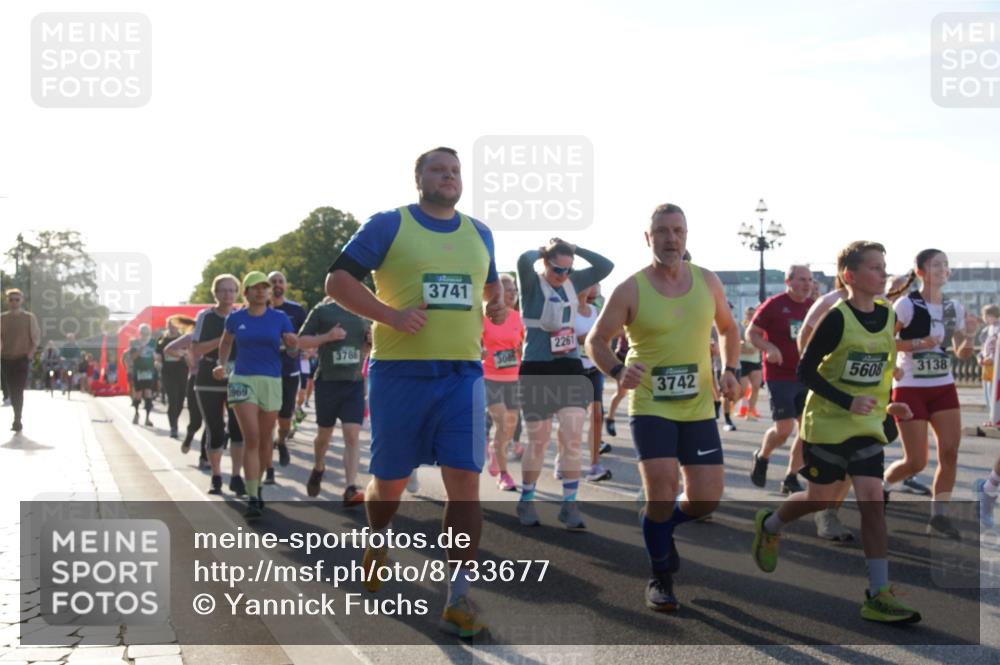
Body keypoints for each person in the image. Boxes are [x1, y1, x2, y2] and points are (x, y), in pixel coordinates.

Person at [326, 146, 506, 637]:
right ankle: (377, 535)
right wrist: (390, 316)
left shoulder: (480, 233)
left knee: (466, 480)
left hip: (462, 375)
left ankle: (459, 596)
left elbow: (491, 287)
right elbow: (337, 281)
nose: (448, 177)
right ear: (419, 179)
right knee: (390, 482)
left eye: (455, 171)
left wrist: (496, 305)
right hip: (399, 374)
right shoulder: (389, 224)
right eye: (438, 170)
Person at [751, 240, 921, 624]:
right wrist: (847, 401)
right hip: (827, 424)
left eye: (883, 266)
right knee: (820, 500)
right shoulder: (837, 318)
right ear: (851, 276)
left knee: (872, 506)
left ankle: (878, 594)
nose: (882, 273)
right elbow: (805, 372)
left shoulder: (888, 316)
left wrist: (890, 405)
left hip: (866, 427)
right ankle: (771, 524)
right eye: (875, 267)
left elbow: (879, 371)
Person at [587, 203, 741, 611]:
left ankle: (658, 525)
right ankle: (661, 573)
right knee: (662, 490)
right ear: (648, 237)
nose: (671, 239)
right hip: (651, 403)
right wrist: (619, 371)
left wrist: (730, 370)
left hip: (697, 406)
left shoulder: (707, 281)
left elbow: (728, 329)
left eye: (678, 231)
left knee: (707, 498)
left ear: (686, 236)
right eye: (662, 231)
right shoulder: (631, 288)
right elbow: (597, 340)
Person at [515, 237, 614, 529]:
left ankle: (570, 506)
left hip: (570, 366)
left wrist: (576, 249)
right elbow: (523, 258)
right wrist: (545, 248)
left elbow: (606, 266)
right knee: (539, 440)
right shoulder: (532, 284)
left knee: (571, 438)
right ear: (545, 264)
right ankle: (526, 499)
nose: (563, 276)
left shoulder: (574, 280)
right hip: (537, 367)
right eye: (558, 270)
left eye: (568, 270)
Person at [882, 249, 978, 539]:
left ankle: (939, 516)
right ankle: (884, 485)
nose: (943, 269)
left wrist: (971, 335)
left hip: (943, 386)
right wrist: (917, 344)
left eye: (946, 265)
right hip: (910, 386)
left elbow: (962, 353)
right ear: (921, 272)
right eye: (936, 265)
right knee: (917, 461)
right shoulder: (906, 305)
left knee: (950, 452)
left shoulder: (954, 308)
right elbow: (884, 341)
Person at [214, 272, 297, 519]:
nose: (261, 291)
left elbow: (292, 352)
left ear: (270, 292)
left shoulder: (280, 318)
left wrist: (293, 345)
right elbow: (226, 342)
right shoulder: (235, 318)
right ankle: (252, 498)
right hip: (242, 380)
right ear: (246, 292)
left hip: (271, 381)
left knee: (263, 440)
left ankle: (257, 487)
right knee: (251, 438)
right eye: (255, 287)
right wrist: (222, 364)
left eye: (265, 287)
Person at [747, 264, 815, 494]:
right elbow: (751, 333)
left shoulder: (813, 307)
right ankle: (763, 455)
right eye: (802, 279)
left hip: (805, 375)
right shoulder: (775, 305)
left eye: (810, 280)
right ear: (789, 282)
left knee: (807, 429)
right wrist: (768, 347)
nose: (807, 284)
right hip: (780, 375)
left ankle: (791, 476)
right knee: (784, 429)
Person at [297, 296, 371, 505]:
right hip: (327, 382)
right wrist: (328, 337)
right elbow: (302, 341)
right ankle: (319, 466)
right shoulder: (322, 311)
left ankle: (350, 488)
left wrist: (370, 343)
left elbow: (366, 349)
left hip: (353, 383)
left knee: (352, 435)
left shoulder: (364, 310)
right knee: (324, 436)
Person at [190, 274, 246, 495]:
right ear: (215, 293)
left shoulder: (243, 315)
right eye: (223, 290)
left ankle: (236, 476)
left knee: (238, 428)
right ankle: (215, 476)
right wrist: (225, 338)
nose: (228, 294)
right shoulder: (206, 317)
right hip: (208, 378)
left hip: (237, 377)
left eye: (232, 290)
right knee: (215, 429)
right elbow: (197, 350)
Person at [482, 274, 525, 491]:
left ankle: (494, 450)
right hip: (490, 378)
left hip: (513, 378)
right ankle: (504, 474)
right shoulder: (484, 317)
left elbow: (522, 347)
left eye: (514, 290)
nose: (512, 293)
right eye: (507, 289)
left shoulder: (518, 318)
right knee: (500, 423)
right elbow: (475, 344)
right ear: (496, 292)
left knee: (511, 426)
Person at [264, 271, 308, 484]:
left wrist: (303, 348)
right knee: (267, 418)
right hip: (264, 371)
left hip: (289, 371)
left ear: (286, 285)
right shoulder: (260, 310)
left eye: (281, 281)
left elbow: (305, 336)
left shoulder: (296, 310)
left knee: (284, 419)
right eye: (273, 282)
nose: (277, 285)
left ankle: (281, 441)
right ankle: (268, 469)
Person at [577, 283, 613, 481]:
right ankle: (562, 457)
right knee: (574, 419)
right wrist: (587, 339)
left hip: (594, 369)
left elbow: (604, 338)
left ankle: (594, 464)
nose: (594, 289)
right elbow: (561, 338)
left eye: (596, 285)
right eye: (589, 284)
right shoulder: (568, 312)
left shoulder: (596, 311)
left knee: (596, 416)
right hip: (574, 369)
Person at [0, 288, 41, 432]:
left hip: (22, 359)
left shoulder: (29, 318)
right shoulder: (2, 318)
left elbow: (35, 338)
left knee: (18, 390)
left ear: (21, 300)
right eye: (11, 299)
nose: (14, 302)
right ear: (7, 301)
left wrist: (29, 354)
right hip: (5, 358)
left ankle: (17, 419)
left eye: (17, 299)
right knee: (10, 389)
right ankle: (15, 413)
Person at [157, 316, 194, 438]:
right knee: (172, 400)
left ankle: (175, 419)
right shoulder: (162, 340)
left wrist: (183, 354)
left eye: (173, 325)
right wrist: (157, 363)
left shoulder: (182, 339)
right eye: (169, 325)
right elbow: (158, 356)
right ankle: (174, 426)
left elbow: (190, 352)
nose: (171, 328)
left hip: (182, 372)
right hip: (168, 373)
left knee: (180, 401)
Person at [123, 324, 158, 426]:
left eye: (147, 332)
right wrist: (141, 348)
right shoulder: (134, 343)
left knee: (148, 393)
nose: (145, 334)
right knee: (138, 393)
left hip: (149, 371)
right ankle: (136, 413)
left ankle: (147, 418)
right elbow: (133, 357)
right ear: (140, 333)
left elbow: (157, 355)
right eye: (143, 332)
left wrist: (157, 359)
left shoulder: (153, 342)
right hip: (138, 371)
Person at [737, 306, 763, 419]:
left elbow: (764, 341)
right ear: (745, 314)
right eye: (748, 313)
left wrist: (758, 347)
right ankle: (730, 405)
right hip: (742, 361)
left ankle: (750, 412)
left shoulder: (760, 327)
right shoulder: (740, 326)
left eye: (752, 313)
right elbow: (734, 341)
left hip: (755, 361)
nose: (750, 315)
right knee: (742, 391)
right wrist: (742, 347)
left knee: (756, 387)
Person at [978, 304, 999, 419]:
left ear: (992, 315)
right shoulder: (986, 330)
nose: (984, 318)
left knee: (994, 390)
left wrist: (993, 357)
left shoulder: (998, 328)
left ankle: (995, 416)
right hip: (986, 364)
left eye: (985, 315)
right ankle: (992, 416)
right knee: (987, 389)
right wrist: (980, 357)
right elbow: (983, 347)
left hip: (996, 365)